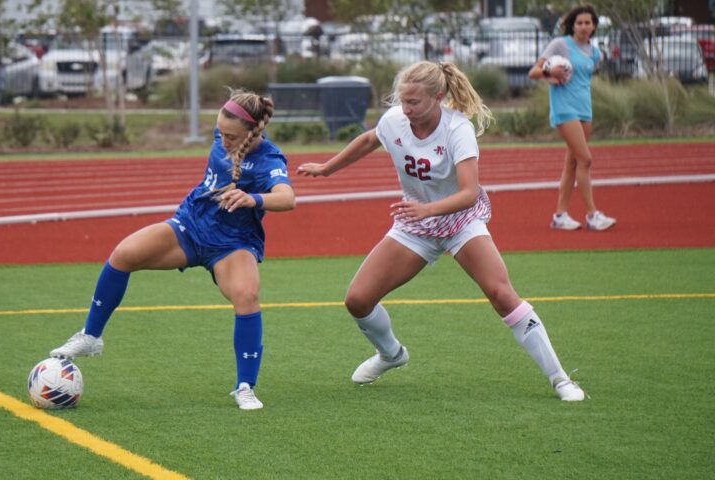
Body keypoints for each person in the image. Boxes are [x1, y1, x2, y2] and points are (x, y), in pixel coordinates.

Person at [297, 61, 585, 401]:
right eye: (402, 101)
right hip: (415, 224)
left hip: (460, 221)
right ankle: (392, 355)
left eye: (414, 103)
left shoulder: (457, 129)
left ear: (438, 97)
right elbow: (369, 139)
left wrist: (427, 209)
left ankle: (561, 379)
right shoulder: (395, 120)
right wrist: (327, 169)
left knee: (501, 294)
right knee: (357, 300)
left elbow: (467, 193)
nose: (406, 109)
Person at [50, 89, 296, 410]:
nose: (223, 141)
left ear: (252, 133)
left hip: (231, 244)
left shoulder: (269, 159)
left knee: (246, 297)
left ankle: (245, 386)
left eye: (231, 137)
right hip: (189, 227)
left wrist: (254, 199)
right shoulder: (224, 135)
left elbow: (287, 197)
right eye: (220, 133)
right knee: (123, 254)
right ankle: (91, 336)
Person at [529, 4, 616, 231]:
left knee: (573, 162)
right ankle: (592, 215)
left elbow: (583, 80)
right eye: (580, 23)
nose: (584, 27)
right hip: (564, 110)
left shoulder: (595, 53)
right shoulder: (561, 45)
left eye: (588, 23)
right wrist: (550, 72)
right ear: (573, 25)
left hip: (584, 110)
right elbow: (534, 72)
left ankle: (560, 216)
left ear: (594, 26)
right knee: (586, 159)